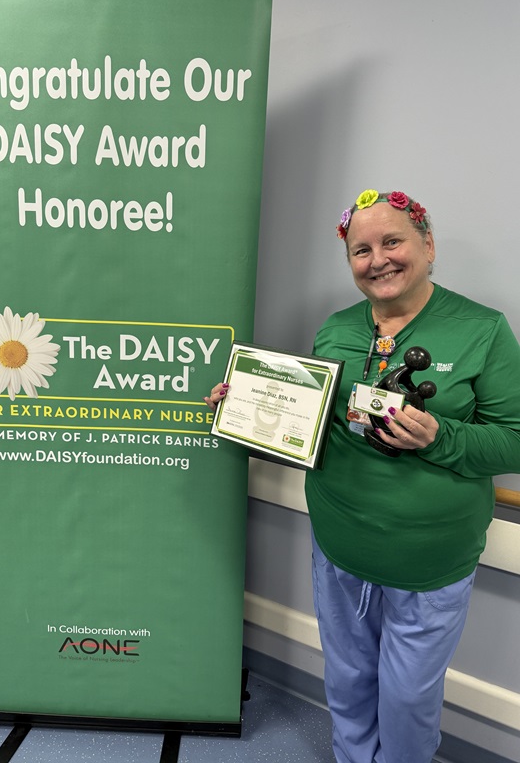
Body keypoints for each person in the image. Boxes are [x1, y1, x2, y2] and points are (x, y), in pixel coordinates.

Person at [205, 189, 520, 763]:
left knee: (407, 697)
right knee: (348, 682)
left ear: (427, 244)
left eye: (392, 241)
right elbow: (316, 422)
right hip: (340, 546)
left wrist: (439, 437)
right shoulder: (337, 328)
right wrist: (248, 406)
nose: (378, 259)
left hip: (430, 560)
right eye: (361, 250)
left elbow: (515, 439)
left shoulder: (482, 329)